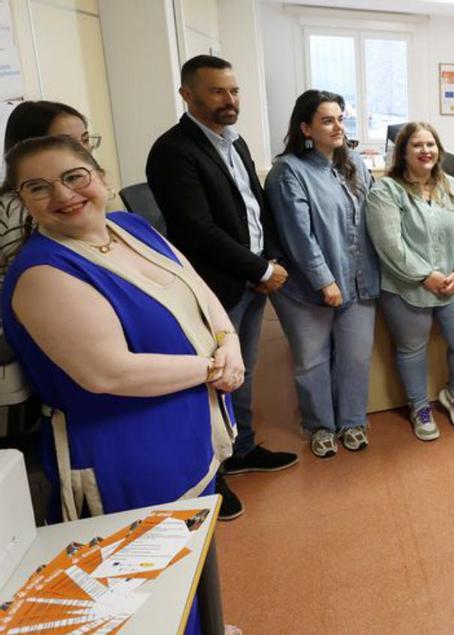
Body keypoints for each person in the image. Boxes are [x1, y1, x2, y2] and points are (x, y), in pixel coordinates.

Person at [0, 136, 241, 525]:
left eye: (74, 176)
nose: (63, 194)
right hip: (126, 458)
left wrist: (230, 341)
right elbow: (109, 372)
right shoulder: (44, 273)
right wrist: (215, 369)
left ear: (100, 176)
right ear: (22, 199)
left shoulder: (131, 226)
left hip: (189, 437)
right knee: (148, 580)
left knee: (194, 571)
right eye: (38, 187)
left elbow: (200, 291)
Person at [146, 54, 297, 521]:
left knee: (244, 370)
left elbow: (257, 205)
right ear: (187, 95)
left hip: (250, 277)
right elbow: (196, 229)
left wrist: (269, 258)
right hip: (216, 284)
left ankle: (243, 449)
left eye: (233, 91)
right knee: (216, 380)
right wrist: (258, 268)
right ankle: (214, 475)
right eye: (217, 91)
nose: (229, 100)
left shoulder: (235, 142)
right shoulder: (173, 151)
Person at [264, 90, 378, 458]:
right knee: (312, 359)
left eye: (341, 119)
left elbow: (372, 217)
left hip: (359, 279)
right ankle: (320, 426)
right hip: (307, 288)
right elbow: (299, 235)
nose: (338, 126)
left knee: (355, 356)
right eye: (327, 120)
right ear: (306, 128)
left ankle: (352, 420)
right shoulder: (288, 171)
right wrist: (324, 280)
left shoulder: (355, 164)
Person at [366, 122, 454, 441]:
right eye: (417, 145)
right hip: (407, 286)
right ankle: (419, 406)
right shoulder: (385, 191)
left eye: (431, 144)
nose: (426, 150)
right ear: (403, 151)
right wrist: (423, 275)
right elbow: (389, 243)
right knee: (411, 349)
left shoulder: (453, 187)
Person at [2, 101, 100, 290]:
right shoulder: (16, 209)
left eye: (85, 139)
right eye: (67, 142)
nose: (83, 151)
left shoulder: (88, 187)